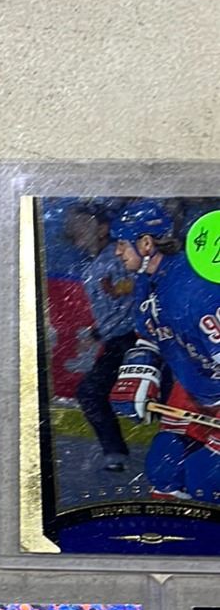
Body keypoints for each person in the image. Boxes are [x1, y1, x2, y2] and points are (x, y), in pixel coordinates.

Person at [109, 199, 220, 501]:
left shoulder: (193, 289)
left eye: (122, 243)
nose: (117, 252)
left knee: (206, 478)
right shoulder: (148, 282)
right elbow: (150, 335)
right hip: (196, 387)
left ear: (146, 243)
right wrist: (140, 375)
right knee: (164, 469)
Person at [61, 204, 137, 470]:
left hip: (133, 337)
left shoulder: (116, 258)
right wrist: (97, 333)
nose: (75, 231)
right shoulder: (96, 264)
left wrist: (101, 332)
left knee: (91, 392)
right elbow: (116, 306)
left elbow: (129, 299)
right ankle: (115, 453)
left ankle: (115, 453)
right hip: (120, 339)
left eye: (83, 225)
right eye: (73, 226)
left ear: (103, 228)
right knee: (91, 392)